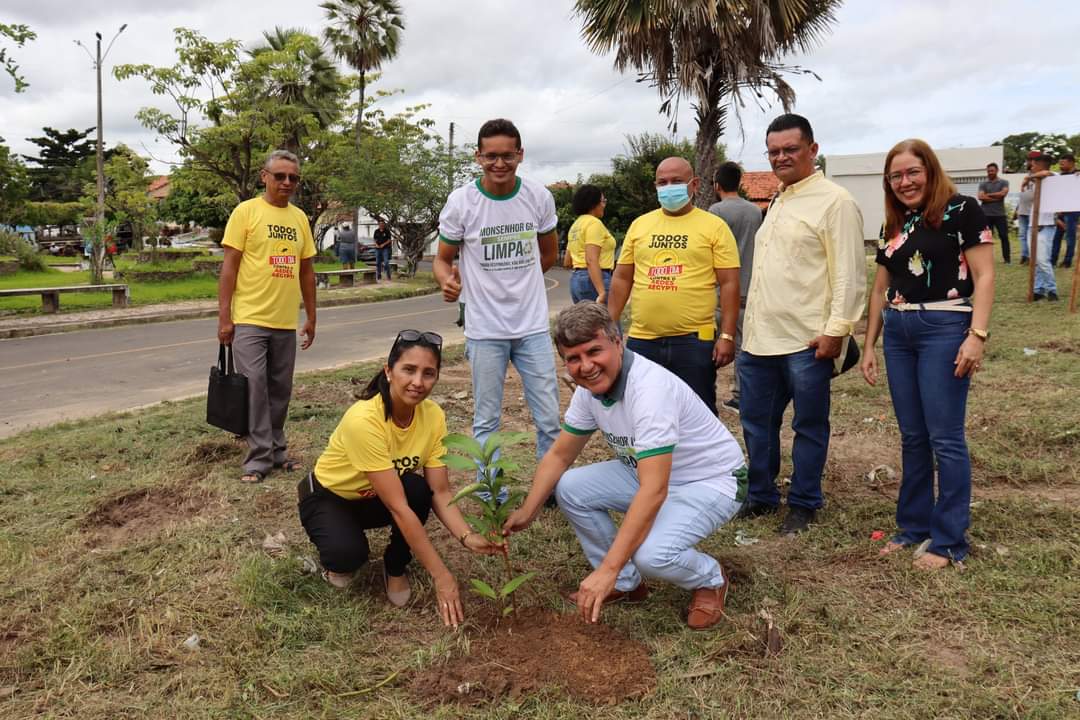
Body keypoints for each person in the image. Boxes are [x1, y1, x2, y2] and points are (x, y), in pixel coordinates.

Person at [503, 302, 746, 630]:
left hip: (709, 481)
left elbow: (653, 490)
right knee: (570, 487)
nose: (586, 366)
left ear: (619, 343)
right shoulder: (590, 391)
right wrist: (528, 510)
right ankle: (627, 585)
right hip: (650, 473)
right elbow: (560, 456)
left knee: (652, 555)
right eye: (573, 358)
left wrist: (607, 569)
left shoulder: (649, 391)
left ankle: (710, 579)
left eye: (594, 351)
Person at [298, 331, 501, 625]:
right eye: (409, 369)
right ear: (388, 371)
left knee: (418, 490)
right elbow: (397, 508)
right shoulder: (364, 420)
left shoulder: (433, 416)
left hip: (376, 497)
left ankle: (395, 567)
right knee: (348, 556)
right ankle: (339, 554)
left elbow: (440, 492)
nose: (418, 382)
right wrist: (442, 576)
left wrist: (467, 537)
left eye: (428, 373)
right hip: (331, 497)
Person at [861, 139, 994, 570]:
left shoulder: (962, 210)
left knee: (945, 437)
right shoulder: (893, 224)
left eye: (912, 172)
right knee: (913, 436)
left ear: (930, 170)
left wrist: (976, 335)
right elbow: (880, 287)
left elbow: (986, 275)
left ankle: (950, 540)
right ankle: (914, 525)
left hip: (944, 327)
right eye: (896, 176)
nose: (904, 182)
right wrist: (869, 345)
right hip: (898, 331)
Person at [738, 114, 867, 535]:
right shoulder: (779, 199)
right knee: (757, 425)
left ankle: (804, 503)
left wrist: (837, 330)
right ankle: (760, 497)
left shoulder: (835, 201)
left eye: (790, 149)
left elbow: (849, 272)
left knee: (808, 426)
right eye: (773, 151)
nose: (781, 157)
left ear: (813, 150)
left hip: (806, 341)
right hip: (758, 340)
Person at [433, 118, 561, 477]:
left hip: (532, 326)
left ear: (520, 154)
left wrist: (521, 284)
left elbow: (548, 255)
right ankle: (492, 487)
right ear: (478, 157)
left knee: (549, 417)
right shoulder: (462, 202)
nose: (499, 164)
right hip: (484, 329)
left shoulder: (538, 197)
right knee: (486, 419)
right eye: (491, 156)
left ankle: (551, 486)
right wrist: (447, 282)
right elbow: (443, 260)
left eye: (507, 155)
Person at [607, 157, 740, 415]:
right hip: (643, 340)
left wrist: (726, 336)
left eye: (677, 182)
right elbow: (623, 277)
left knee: (697, 412)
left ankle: (701, 457)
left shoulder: (714, 226)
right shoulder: (640, 225)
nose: (669, 187)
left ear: (694, 184)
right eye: (662, 182)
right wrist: (610, 324)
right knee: (644, 411)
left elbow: (729, 283)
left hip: (694, 341)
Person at [218, 149, 317, 483]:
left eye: (293, 178)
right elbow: (229, 267)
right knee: (256, 388)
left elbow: (306, 271)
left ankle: (276, 451)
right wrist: (225, 318)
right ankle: (258, 459)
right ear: (264, 176)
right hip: (249, 319)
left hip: (284, 321)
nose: (287, 182)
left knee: (280, 390)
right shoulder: (246, 213)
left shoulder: (300, 218)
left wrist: (312, 316)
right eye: (280, 176)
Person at [708, 161, 762, 413]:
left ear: (717, 185)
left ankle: (707, 389)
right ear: (739, 183)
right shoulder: (754, 211)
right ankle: (741, 395)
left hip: (720, 291)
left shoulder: (716, 211)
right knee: (742, 345)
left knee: (711, 343)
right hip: (748, 288)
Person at [566, 184, 617, 303]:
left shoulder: (575, 226)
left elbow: (567, 261)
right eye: (603, 201)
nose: (604, 205)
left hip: (576, 281)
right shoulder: (594, 223)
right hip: (596, 280)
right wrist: (601, 291)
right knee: (608, 320)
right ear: (594, 203)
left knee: (587, 321)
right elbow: (591, 259)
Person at [1026, 152, 1059, 301]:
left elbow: (1047, 173)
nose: (1031, 166)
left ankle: (1052, 290)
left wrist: (1030, 177)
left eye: (1034, 164)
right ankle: (1038, 290)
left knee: (1043, 260)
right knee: (1035, 260)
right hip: (1032, 224)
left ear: (1040, 165)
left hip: (1045, 225)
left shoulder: (1054, 177)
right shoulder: (1036, 180)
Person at [977, 162, 1010, 263]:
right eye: (988, 171)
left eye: (992, 170)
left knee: (1004, 236)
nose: (990, 172)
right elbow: (980, 197)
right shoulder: (983, 184)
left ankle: (1007, 259)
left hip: (1000, 214)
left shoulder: (1004, 182)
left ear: (997, 171)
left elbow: (1003, 193)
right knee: (986, 239)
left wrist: (988, 195)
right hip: (986, 215)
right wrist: (997, 198)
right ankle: (987, 259)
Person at [1050, 152, 1077, 268]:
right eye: (1060, 164)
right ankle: (1053, 260)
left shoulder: (1077, 175)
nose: (1060, 166)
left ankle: (1067, 261)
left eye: (1063, 163)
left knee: (1070, 237)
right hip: (1060, 211)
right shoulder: (1060, 176)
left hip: (1072, 212)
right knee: (1056, 237)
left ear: (1071, 163)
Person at [1016, 153, 1037, 265]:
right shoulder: (1028, 175)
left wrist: (1029, 178)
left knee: (1030, 234)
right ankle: (1024, 255)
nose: (1027, 163)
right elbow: (1023, 193)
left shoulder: (1038, 176)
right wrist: (1017, 209)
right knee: (1022, 234)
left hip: (1032, 210)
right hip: (1022, 210)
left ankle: (1030, 256)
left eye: (1029, 161)